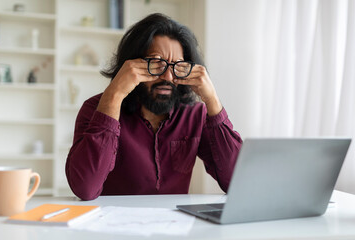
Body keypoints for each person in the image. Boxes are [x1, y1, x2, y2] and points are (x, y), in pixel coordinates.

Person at [65, 13, 242, 201]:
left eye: (178, 66)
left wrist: (212, 100)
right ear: (131, 64)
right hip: (113, 225)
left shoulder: (195, 114)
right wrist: (115, 93)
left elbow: (237, 182)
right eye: (156, 63)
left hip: (175, 225)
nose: (168, 77)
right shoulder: (95, 109)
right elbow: (85, 188)